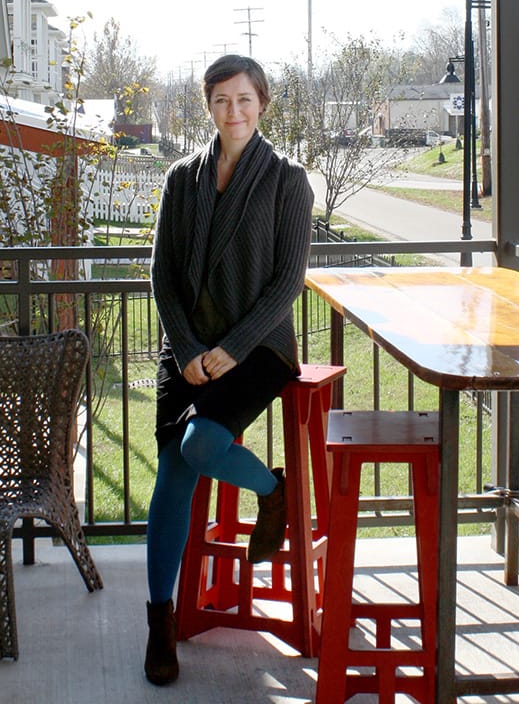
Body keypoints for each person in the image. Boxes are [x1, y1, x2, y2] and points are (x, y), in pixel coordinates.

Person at [145, 54, 314, 686]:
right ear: (208, 106)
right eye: (220, 100)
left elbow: (286, 281)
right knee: (173, 473)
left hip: (258, 348)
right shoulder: (181, 179)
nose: (232, 111)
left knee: (200, 442)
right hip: (188, 347)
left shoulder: (288, 180)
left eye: (243, 99)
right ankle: (160, 620)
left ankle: (274, 492)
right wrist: (187, 348)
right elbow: (161, 273)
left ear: (261, 102)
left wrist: (234, 347)